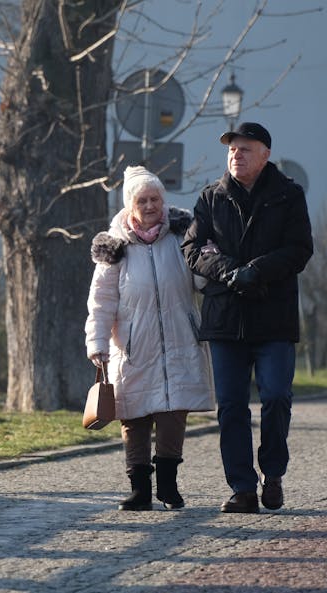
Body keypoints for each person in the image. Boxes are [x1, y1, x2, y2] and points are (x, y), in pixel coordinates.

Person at [181, 122, 313, 514]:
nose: (236, 155)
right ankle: (242, 488)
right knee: (232, 406)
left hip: (274, 316)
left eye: (245, 149)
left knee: (275, 396)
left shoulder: (289, 196)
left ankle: (273, 473)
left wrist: (256, 270)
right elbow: (194, 248)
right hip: (226, 317)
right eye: (232, 149)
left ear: (265, 154)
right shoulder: (211, 197)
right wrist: (228, 271)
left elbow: (299, 249)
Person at [85, 165, 215, 511]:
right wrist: (96, 344)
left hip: (179, 340)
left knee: (173, 415)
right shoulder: (115, 250)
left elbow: (202, 281)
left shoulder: (181, 238)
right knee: (135, 418)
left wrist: (212, 260)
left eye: (155, 198)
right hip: (132, 346)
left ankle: (168, 487)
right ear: (130, 206)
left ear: (164, 201)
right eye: (141, 200)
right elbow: (101, 302)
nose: (150, 205)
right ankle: (139, 490)